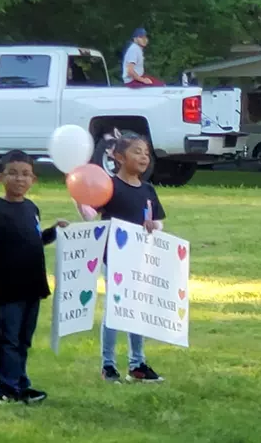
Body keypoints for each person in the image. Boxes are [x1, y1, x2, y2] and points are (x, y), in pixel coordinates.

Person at [0, 150, 67, 404]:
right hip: (9, 288)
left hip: (33, 285)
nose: (20, 179)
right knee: (8, 338)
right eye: (13, 173)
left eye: (26, 174)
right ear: (0, 177)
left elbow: (35, 241)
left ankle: (21, 382)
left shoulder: (31, 208)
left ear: (34, 180)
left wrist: (54, 232)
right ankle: (6, 388)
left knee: (23, 340)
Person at [79, 133, 166, 383]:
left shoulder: (148, 190)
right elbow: (89, 215)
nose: (143, 157)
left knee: (137, 306)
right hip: (115, 257)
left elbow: (157, 221)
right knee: (116, 307)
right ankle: (108, 365)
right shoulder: (109, 187)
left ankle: (137, 364)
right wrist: (78, 194)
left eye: (146, 153)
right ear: (118, 157)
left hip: (140, 257)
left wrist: (154, 226)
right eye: (137, 151)